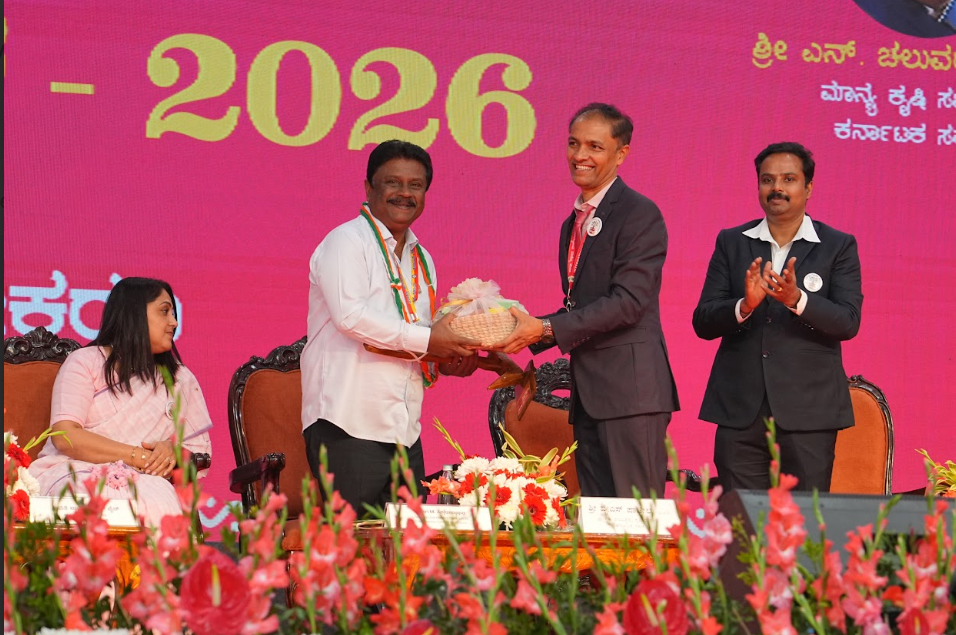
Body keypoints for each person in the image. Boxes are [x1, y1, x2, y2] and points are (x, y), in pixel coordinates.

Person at [493, 103, 680, 499]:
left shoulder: (639, 213)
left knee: (635, 519)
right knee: (597, 520)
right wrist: (517, 329)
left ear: (621, 153)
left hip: (630, 395)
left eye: (595, 146)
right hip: (590, 396)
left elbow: (628, 302)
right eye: (573, 143)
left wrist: (544, 328)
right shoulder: (573, 222)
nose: (580, 155)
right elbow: (580, 308)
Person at [301, 139, 479, 514]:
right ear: (369, 187)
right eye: (393, 182)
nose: (405, 193)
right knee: (353, 541)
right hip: (348, 423)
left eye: (416, 185)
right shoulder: (346, 241)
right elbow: (351, 317)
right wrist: (431, 339)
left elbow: (418, 337)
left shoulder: (421, 258)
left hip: (404, 428)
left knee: (405, 543)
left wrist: (448, 358)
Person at [693, 142, 863, 492]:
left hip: (809, 411)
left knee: (804, 520)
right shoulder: (732, 242)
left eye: (789, 179)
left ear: (808, 187)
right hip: (740, 409)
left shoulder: (838, 245)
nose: (777, 188)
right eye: (767, 180)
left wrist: (796, 299)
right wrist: (744, 305)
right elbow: (703, 321)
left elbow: (848, 321)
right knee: (741, 518)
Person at [29, 277, 213, 528]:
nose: (174, 322)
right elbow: (65, 436)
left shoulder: (179, 378)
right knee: (89, 500)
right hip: (75, 471)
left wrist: (171, 451)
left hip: (146, 481)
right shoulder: (85, 361)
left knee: (160, 506)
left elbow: (197, 452)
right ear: (134, 313)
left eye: (173, 313)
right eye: (164, 311)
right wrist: (139, 456)